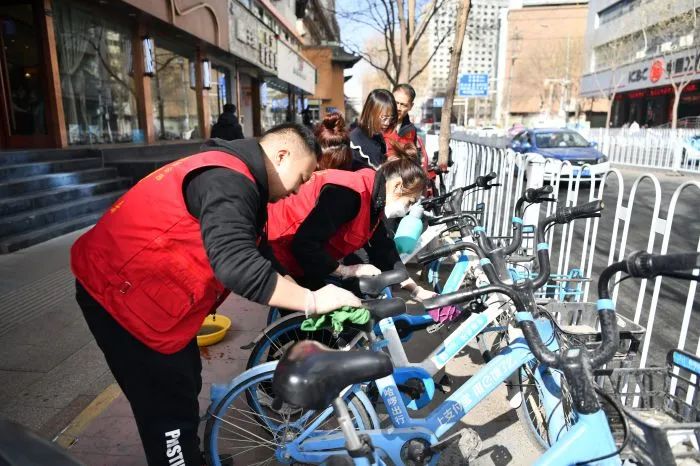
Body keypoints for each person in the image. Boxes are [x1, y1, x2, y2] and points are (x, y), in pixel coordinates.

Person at [70, 123, 360, 466]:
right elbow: (236, 265)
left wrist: (302, 292)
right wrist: (312, 301)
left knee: (185, 379)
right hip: (119, 298)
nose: (298, 190)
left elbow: (257, 251)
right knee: (166, 407)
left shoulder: (242, 175)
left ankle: (190, 455)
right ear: (282, 156)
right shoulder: (228, 180)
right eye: (301, 178)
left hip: (148, 294)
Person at [266, 142, 435, 300]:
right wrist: (345, 271)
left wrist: (415, 290)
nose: (408, 209)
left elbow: (383, 249)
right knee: (328, 314)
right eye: (410, 202)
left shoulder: (374, 197)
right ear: (397, 186)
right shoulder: (349, 194)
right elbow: (304, 243)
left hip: (303, 257)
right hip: (279, 247)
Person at [349, 89, 396, 170]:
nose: (387, 123)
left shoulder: (378, 136)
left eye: (390, 118)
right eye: (384, 118)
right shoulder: (355, 140)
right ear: (371, 112)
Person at [384, 84, 418, 157]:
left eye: (403, 105)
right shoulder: (378, 124)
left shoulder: (412, 131)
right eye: (396, 103)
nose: (398, 108)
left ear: (411, 106)